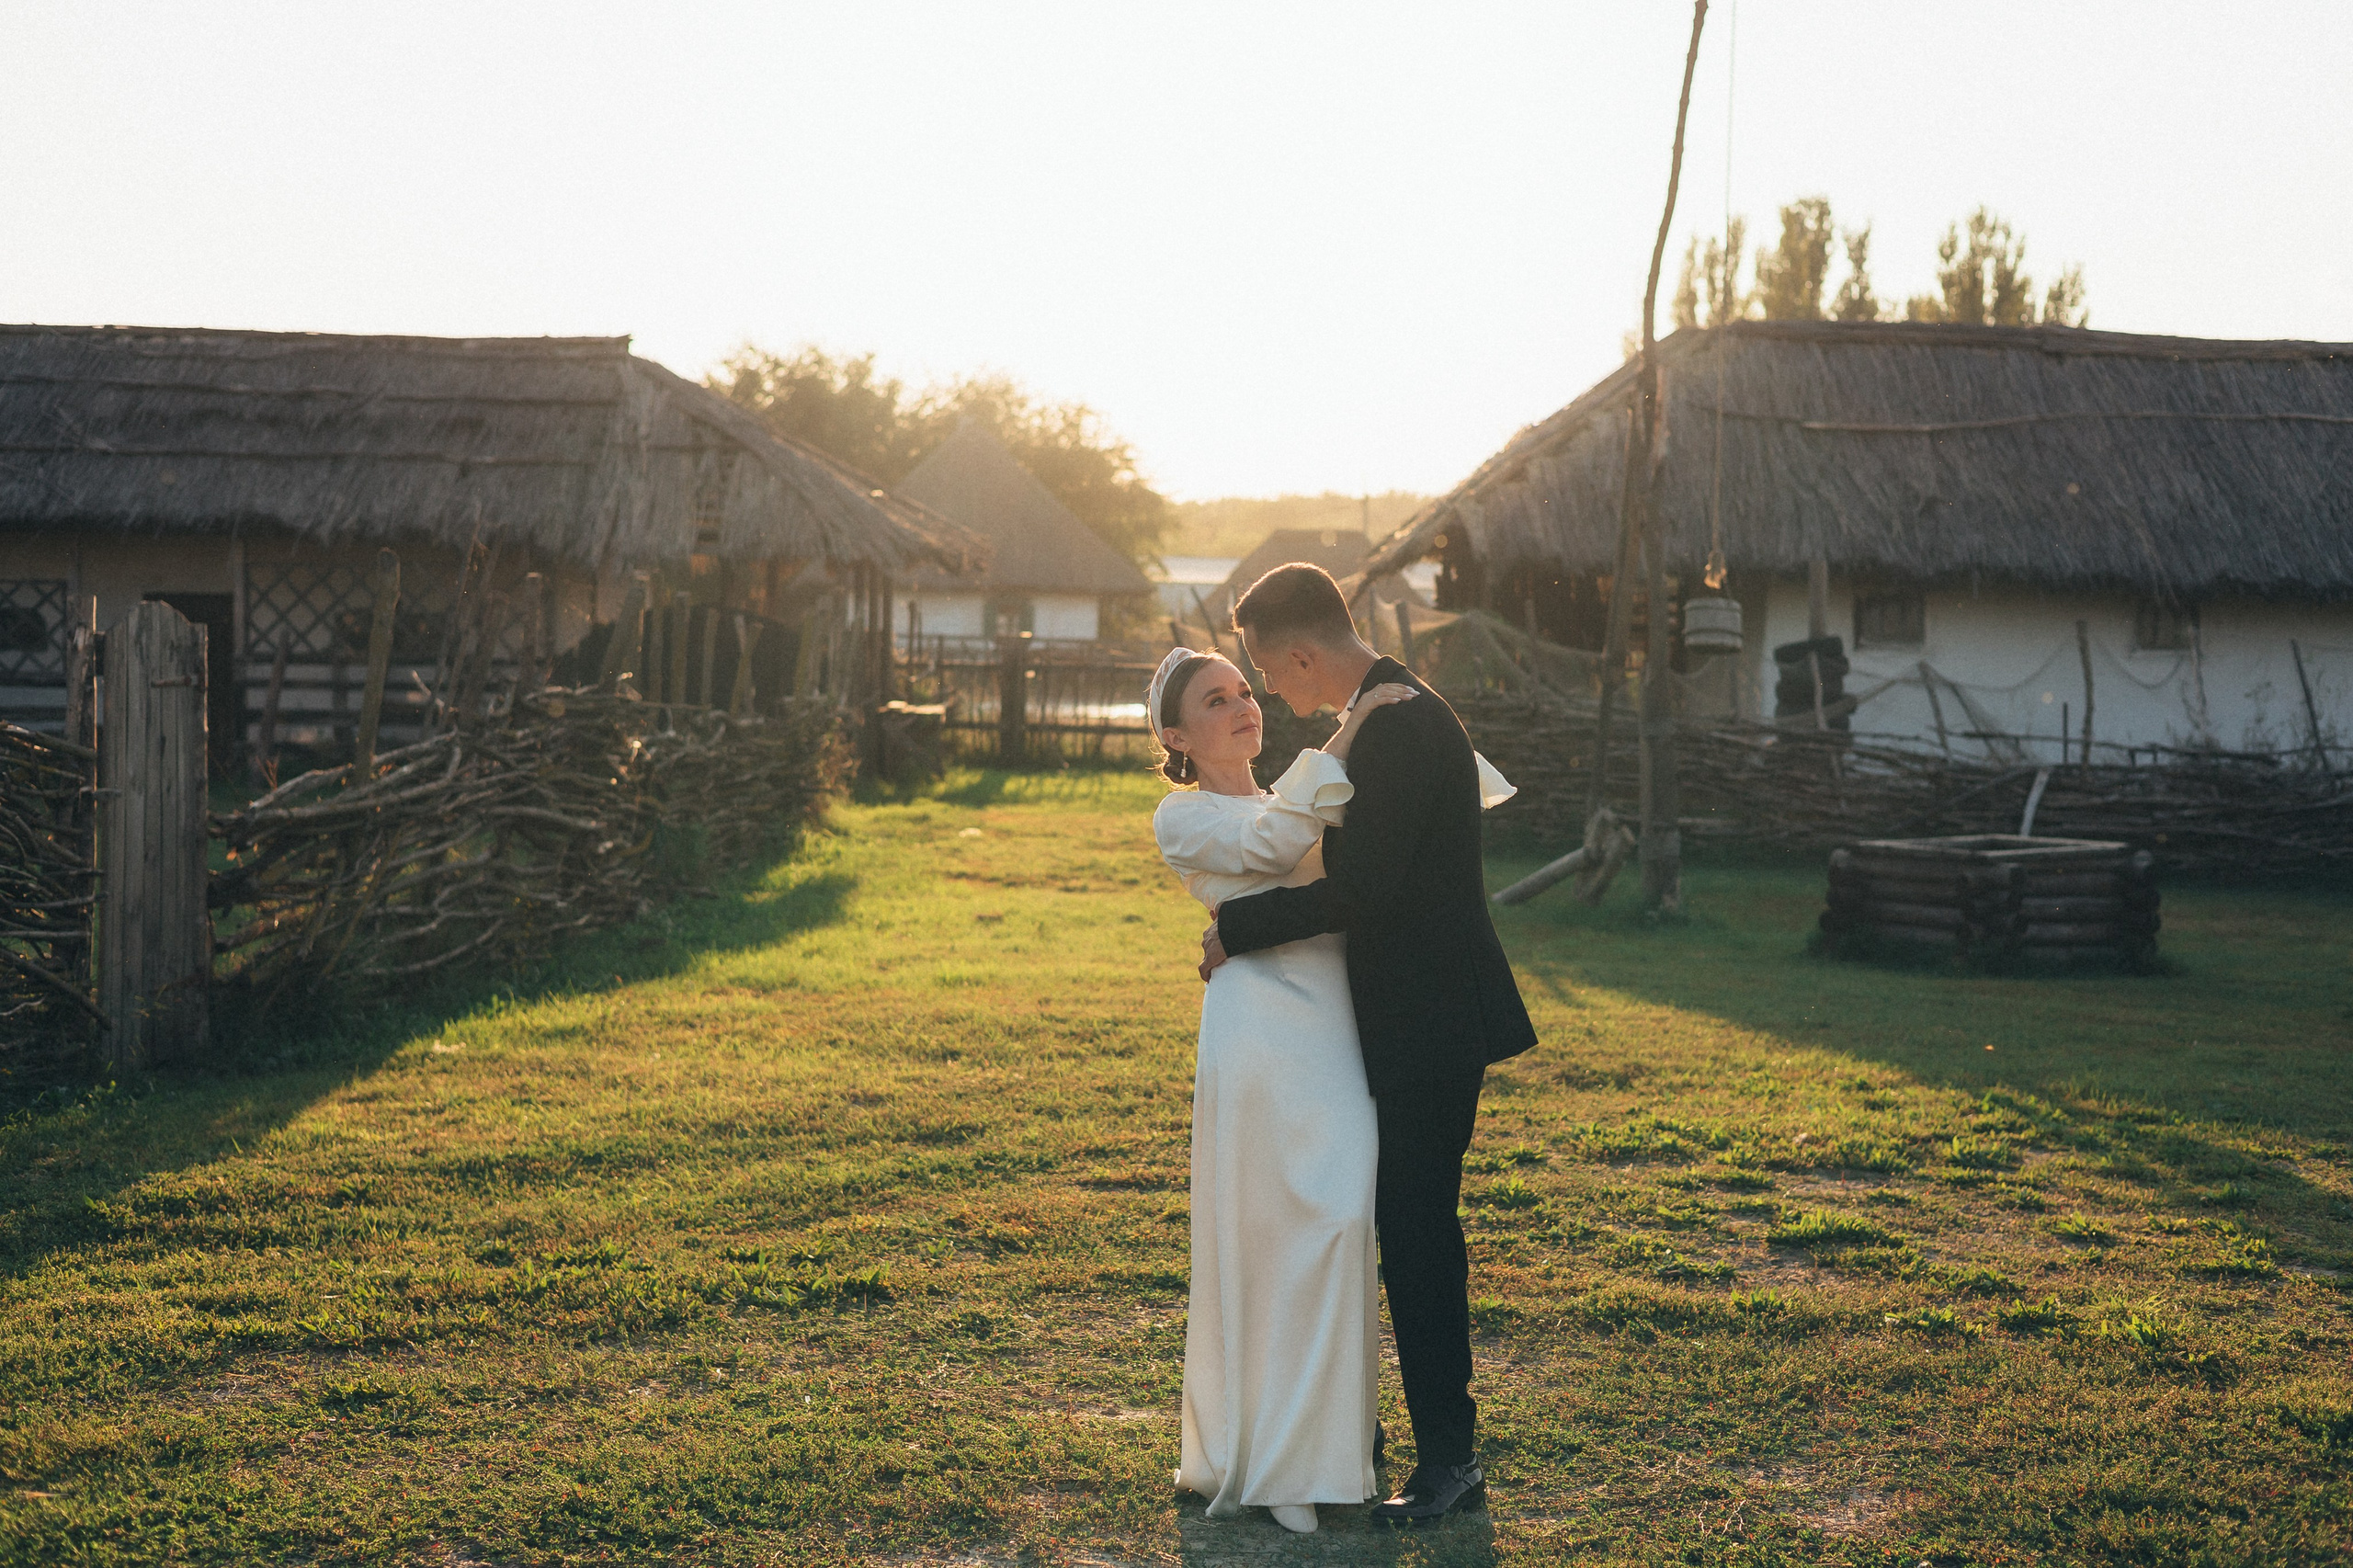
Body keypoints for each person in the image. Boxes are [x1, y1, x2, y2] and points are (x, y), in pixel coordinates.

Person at [1201, 562, 1537, 1527]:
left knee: (1419, 1234)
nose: (1275, 695)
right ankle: (1392, 1440)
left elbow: (1368, 891)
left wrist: (1240, 926)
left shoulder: (1398, 724)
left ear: (1303, 652)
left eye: (1274, 676)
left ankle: (1450, 1459)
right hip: (1411, 1012)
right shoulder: (1390, 709)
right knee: (1401, 1225)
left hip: (1430, 1018)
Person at [1149, 643, 1419, 1535]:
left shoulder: (1294, 791)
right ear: (1178, 735)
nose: (1240, 707)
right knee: (1275, 1236)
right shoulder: (1180, 817)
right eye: (1214, 700)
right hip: (1259, 1031)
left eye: (1241, 691)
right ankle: (1269, 1464)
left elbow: (1348, 862)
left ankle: (1327, 1452)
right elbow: (1270, 845)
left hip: (1333, 1025)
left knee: (1339, 1222)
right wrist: (1355, 721)